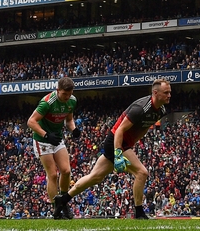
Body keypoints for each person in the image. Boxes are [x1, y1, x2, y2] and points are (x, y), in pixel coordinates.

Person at [54, 79, 172, 220]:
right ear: (155, 93)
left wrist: (132, 143)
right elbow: (120, 130)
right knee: (142, 173)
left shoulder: (162, 110)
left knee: (95, 177)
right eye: (166, 92)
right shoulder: (141, 108)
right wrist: (118, 153)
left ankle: (63, 199)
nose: (169, 95)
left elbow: (145, 127)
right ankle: (139, 213)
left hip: (125, 143)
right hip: (116, 141)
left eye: (170, 92)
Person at [27, 77, 80, 219]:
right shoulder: (47, 102)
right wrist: (46, 135)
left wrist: (73, 129)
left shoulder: (72, 101)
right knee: (53, 175)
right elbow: (31, 121)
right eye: (64, 94)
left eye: (69, 94)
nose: (67, 97)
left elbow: (69, 120)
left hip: (56, 138)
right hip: (42, 140)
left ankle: (63, 202)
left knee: (66, 170)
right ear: (58, 91)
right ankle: (56, 208)